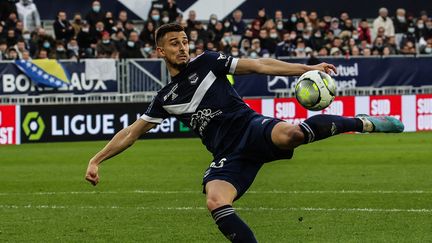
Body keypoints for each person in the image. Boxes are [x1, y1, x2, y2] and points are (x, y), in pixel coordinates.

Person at [85, 23, 404, 242]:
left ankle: (363, 123)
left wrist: (304, 69)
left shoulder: (208, 62)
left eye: (184, 42)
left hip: (252, 128)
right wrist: (97, 160)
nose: (182, 48)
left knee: (291, 134)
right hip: (227, 155)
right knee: (215, 200)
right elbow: (132, 133)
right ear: (160, 52)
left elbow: (259, 65)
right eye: (174, 44)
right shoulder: (165, 98)